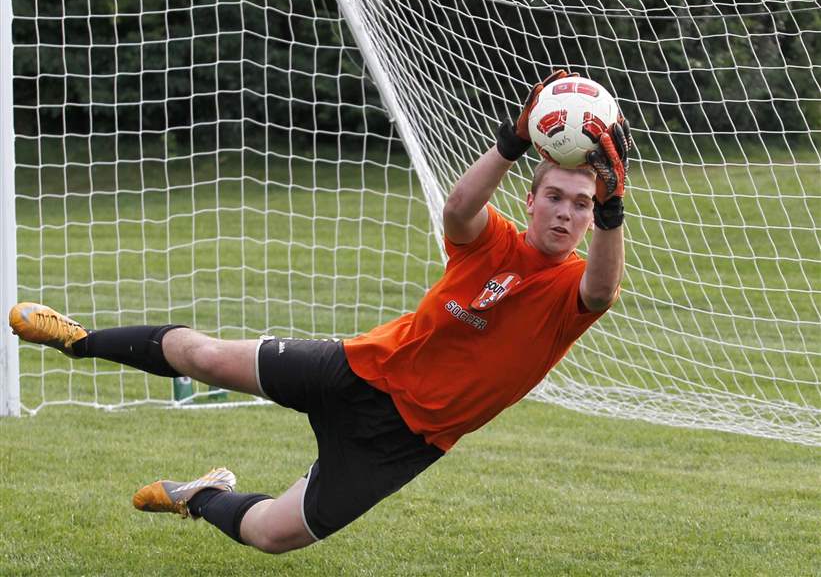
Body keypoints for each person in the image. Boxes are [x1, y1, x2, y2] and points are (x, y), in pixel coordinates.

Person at [8, 69, 630, 555]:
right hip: (357, 368)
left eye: (579, 204)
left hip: (401, 442)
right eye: (554, 196)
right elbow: (457, 210)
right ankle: (79, 340)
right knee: (207, 357)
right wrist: (512, 139)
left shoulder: (575, 285)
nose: (564, 212)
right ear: (531, 197)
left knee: (274, 535)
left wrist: (613, 204)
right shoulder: (494, 241)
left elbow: (602, 293)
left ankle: (198, 496)